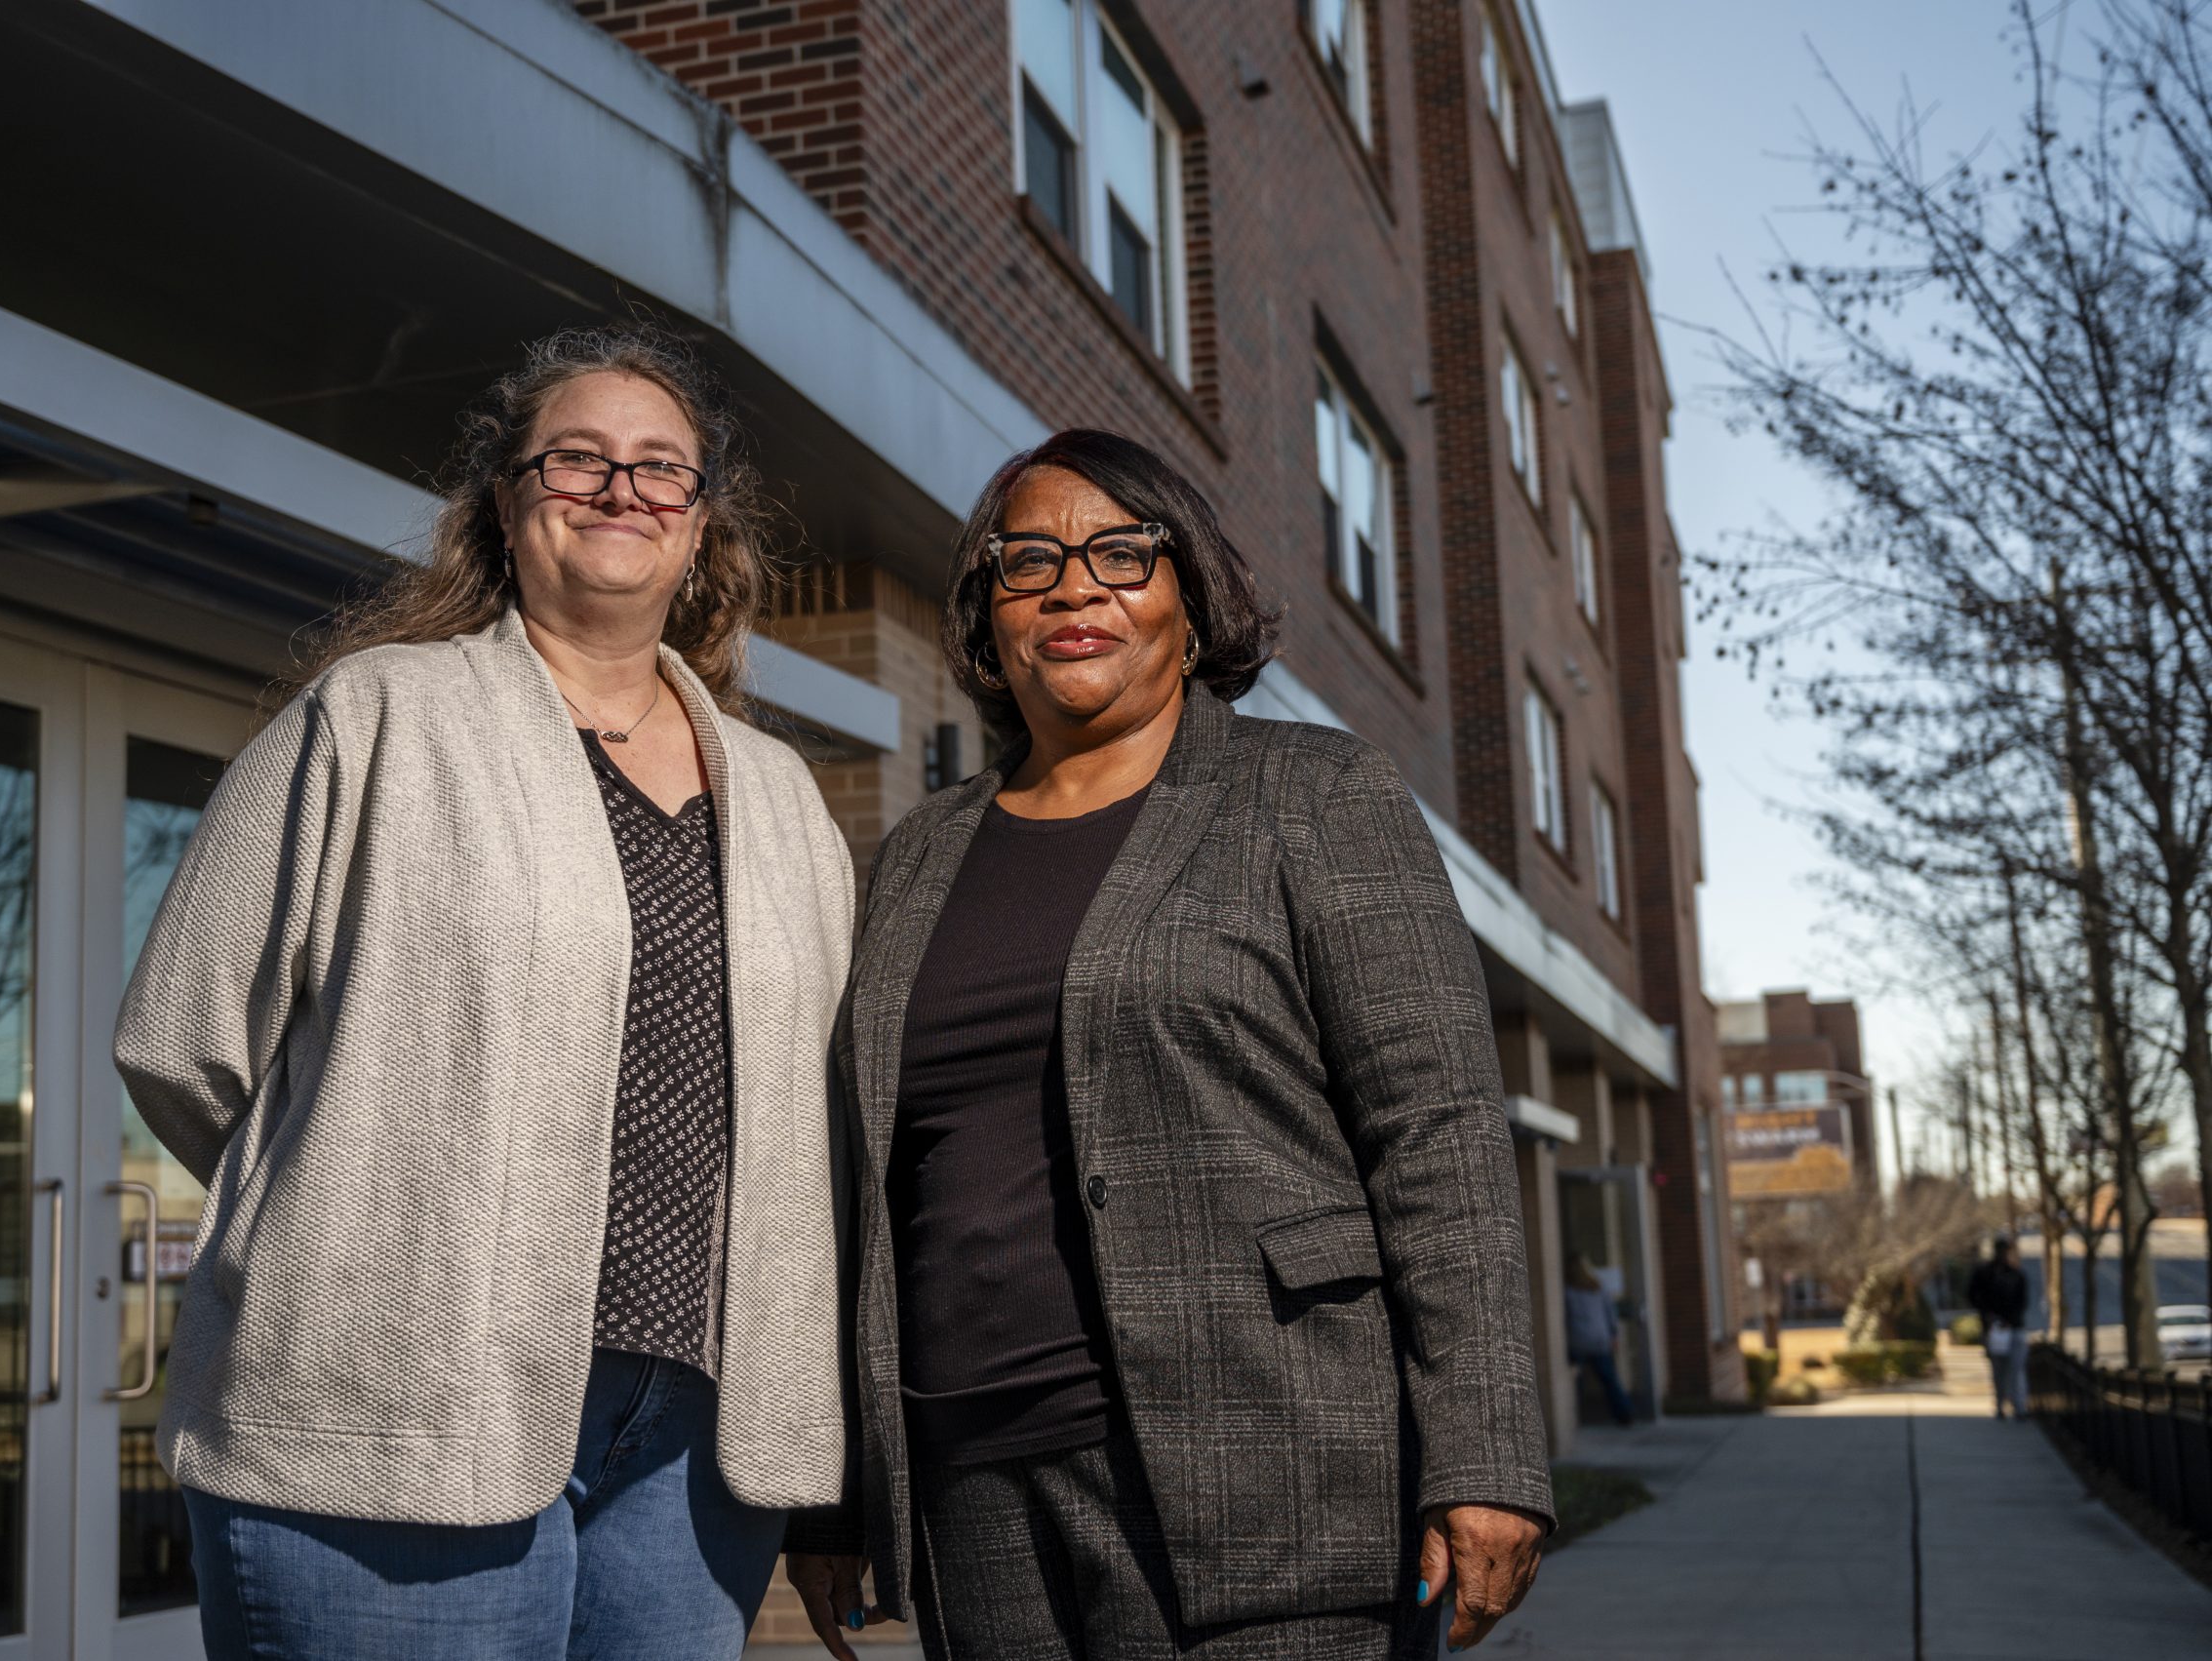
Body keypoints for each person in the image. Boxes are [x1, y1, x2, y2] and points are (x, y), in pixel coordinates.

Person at [114, 325, 855, 1660]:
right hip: (392, 1411)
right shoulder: (375, 717)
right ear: (506, 504)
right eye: (576, 461)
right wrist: (354, 1227)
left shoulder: (788, 798)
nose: (620, 490)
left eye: (660, 470)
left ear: (700, 531)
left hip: (693, 1452)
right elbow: (184, 1040)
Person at [786, 429, 1553, 1661]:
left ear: (1189, 601)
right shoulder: (921, 851)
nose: (1074, 584)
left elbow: (1439, 1131)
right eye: (1027, 559)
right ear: (990, 618)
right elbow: (858, 1187)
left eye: (1120, 552)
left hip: (1263, 1458)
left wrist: (1484, 1448)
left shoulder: (1311, 794)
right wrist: (831, 1488)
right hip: (972, 1482)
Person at [1563, 1253, 1636, 1426]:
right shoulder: (1598, 1288)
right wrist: (1614, 1335)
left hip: (1578, 1341)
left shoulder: (1568, 1291)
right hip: (1600, 1339)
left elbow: (1565, 1317)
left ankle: (1574, 1418)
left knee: (1575, 1381)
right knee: (1609, 1379)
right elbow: (1610, 1314)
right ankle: (1625, 1414)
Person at [1966, 1234, 2031, 1420]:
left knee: (2016, 1369)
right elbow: (1973, 1296)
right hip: (1993, 1329)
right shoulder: (1983, 1273)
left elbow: (2022, 1302)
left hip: (2014, 1328)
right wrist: (1989, 1317)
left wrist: (2010, 1320)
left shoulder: (2016, 1274)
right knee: (1998, 1370)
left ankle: (2019, 1407)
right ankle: (2001, 1404)